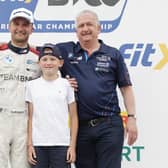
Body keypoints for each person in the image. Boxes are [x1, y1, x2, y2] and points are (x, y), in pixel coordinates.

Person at [56, 10, 138, 168]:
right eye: (81, 25)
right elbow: (40, 56)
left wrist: (132, 118)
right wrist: (62, 81)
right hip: (81, 128)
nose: (85, 28)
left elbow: (126, 88)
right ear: (76, 31)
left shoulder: (113, 54)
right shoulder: (65, 52)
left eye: (89, 24)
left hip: (109, 125)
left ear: (99, 28)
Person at [26, 43, 78, 168]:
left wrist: (72, 146)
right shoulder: (31, 86)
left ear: (60, 63)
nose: (48, 63)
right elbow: (30, 118)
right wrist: (30, 145)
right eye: (44, 59)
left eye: (52, 59)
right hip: (38, 145)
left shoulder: (67, 85)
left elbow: (74, 117)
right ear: (39, 63)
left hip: (62, 144)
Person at [0, 8, 41, 168]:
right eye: (16, 24)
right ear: (9, 26)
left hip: (25, 122)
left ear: (31, 28)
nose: (20, 28)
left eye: (25, 25)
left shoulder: (39, 57)